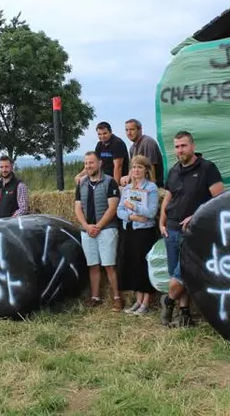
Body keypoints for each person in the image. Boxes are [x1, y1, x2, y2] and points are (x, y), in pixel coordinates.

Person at [159, 131, 224, 327]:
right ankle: (184, 314)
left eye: (184, 146)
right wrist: (161, 223)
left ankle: (167, 300)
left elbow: (220, 199)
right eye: (177, 146)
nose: (180, 150)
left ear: (193, 146)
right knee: (176, 275)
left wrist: (197, 216)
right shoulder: (173, 171)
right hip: (171, 229)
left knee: (182, 275)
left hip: (195, 232)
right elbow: (168, 198)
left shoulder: (207, 168)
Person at [74, 151, 123, 312]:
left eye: (91, 163)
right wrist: (86, 226)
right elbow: (77, 208)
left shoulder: (110, 182)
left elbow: (113, 208)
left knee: (109, 265)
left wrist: (99, 226)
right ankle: (95, 297)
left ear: (100, 163)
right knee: (93, 265)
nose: (88, 166)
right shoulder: (81, 184)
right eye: (86, 163)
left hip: (107, 230)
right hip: (87, 231)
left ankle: (117, 298)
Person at [116, 155, 160, 316]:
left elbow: (151, 212)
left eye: (140, 167)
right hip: (130, 229)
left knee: (143, 265)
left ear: (146, 170)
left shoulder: (151, 188)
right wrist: (131, 216)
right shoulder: (127, 188)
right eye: (134, 167)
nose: (136, 170)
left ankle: (146, 303)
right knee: (133, 265)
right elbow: (119, 210)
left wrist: (134, 207)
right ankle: (138, 300)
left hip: (145, 231)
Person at [122, 119, 164, 188]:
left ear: (140, 130)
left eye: (132, 129)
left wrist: (150, 188)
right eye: (126, 130)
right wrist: (127, 178)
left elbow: (151, 167)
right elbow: (132, 168)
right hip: (139, 186)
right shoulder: (132, 148)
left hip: (152, 187)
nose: (129, 133)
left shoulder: (147, 142)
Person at [0, 155, 29, 220]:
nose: (4, 170)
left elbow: (23, 209)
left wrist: (8, 222)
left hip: (11, 227)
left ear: (11, 167)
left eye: (6, 167)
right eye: (1, 167)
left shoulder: (19, 185)